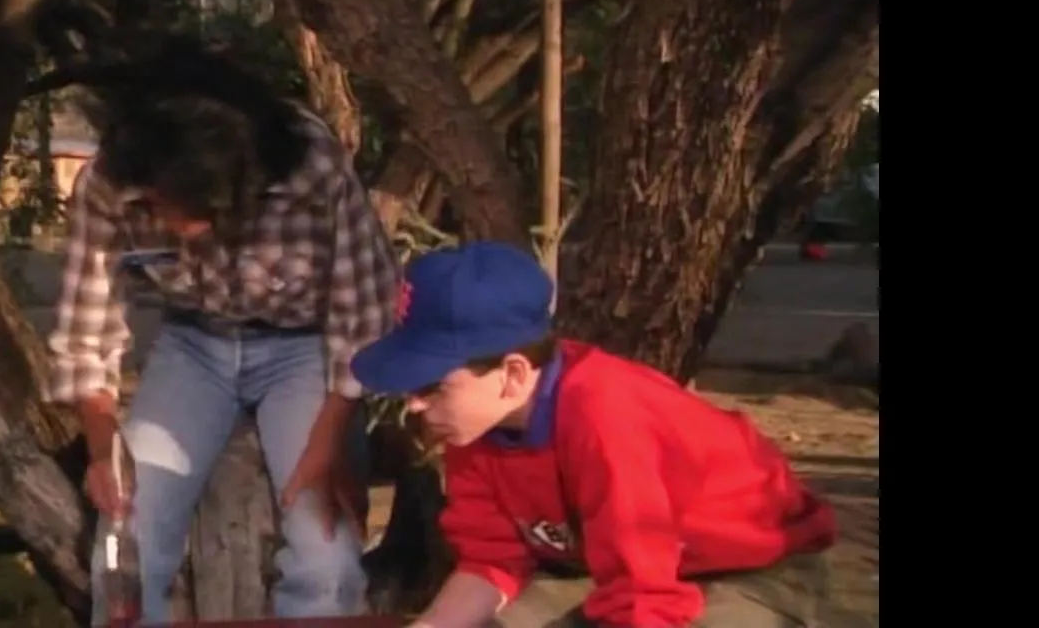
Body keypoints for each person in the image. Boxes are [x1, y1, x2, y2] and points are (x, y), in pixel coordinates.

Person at [45, 39, 398, 624]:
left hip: (306, 349)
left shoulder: (311, 165)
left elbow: (361, 310)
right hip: (193, 345)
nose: (167, 223)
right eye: (155, 204)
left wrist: (330, 438)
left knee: (325, 552)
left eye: (182, 205)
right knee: (128, 534)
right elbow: (86, 327)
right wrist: (103, 446)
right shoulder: (110, 181)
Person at [350, 241, 838, 628]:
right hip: (615, 570)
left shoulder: (606, 419)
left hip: (752, 569)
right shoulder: (476, 424)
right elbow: (491, 560)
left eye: (432, 385)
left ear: (513, 375)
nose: (414, 404)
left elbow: (644, 597)